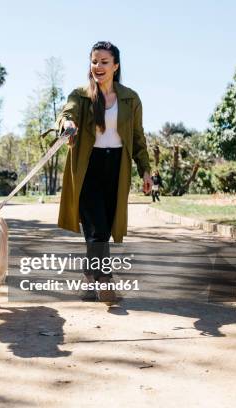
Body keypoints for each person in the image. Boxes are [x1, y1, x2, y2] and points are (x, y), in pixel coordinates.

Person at [56, 41, 152, 303]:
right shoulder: (81, 95)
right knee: (97, 227)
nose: (98, 66)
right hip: (87, 167)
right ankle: (105, 280)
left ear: (116, 66)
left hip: (117, 168)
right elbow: (67, 113)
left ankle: (90, 275)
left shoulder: (130, 98)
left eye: (104, 62)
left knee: (104, 229)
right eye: (94, 61)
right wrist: (68, 124)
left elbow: (137, 137)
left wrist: (145, 171)